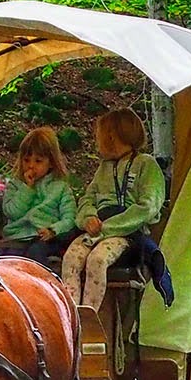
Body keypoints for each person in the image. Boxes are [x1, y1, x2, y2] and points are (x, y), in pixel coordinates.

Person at [61, 110, 166, 313]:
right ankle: (72, 314)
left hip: (127, 232)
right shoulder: (104, 168)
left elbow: (148, 206)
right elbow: (88, 198)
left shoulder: (146, 164)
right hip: (96, 228)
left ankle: (89, 316)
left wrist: (109, 228)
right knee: (71, 259)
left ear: (111, 137)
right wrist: (88, 218)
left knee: (97, 260)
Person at [0, 126, 76, 267]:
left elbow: (69, 218)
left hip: (45, 239)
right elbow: (12, 212)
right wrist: (27, 189)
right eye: (26, 160)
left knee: (36, 253)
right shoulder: (15, 185)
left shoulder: (60, 188)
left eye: (38, 161)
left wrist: (53, 230)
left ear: (51, 162)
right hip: (18, 237)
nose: (31, 166)